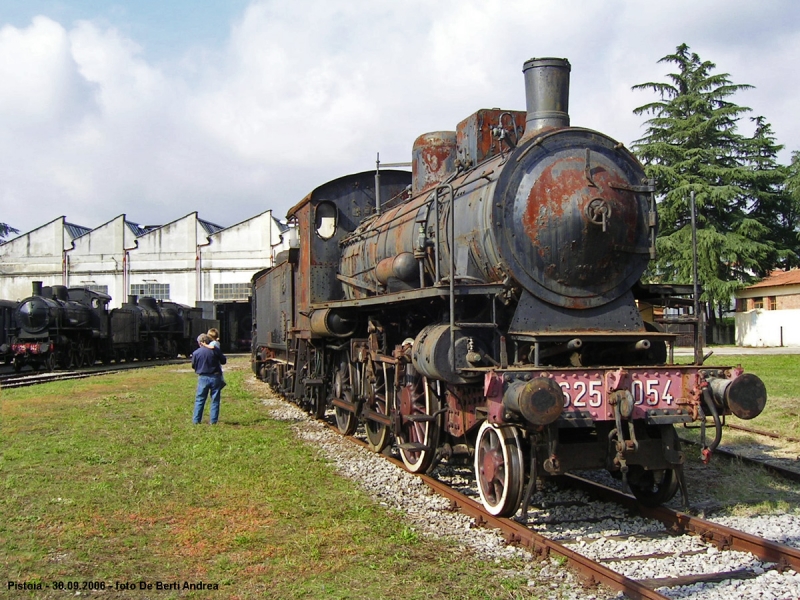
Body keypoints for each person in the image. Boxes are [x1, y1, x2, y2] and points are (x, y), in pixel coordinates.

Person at [191, 333, 227, 425]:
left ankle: (196, 420)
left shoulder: (196, 353)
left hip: (203, 377)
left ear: (199, 343)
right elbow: (223, 361)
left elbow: (194, 366)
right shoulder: (215, 350)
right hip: (215, 376)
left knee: (200, 399)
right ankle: (213, 421)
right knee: (215, 399)